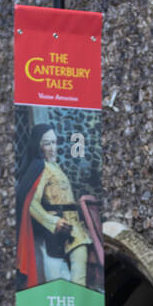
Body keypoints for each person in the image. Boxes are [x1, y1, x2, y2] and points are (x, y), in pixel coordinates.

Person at [16, 123, 91, 288]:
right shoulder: (40, 167)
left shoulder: (56, 167)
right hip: (55, 233)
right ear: (38, 146)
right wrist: (53, 222)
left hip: (75, 230)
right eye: (47, 143)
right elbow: (31, 202)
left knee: (79, 274)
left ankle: (78, 302)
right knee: (57, 281)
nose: (53, 148)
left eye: (54, 142)